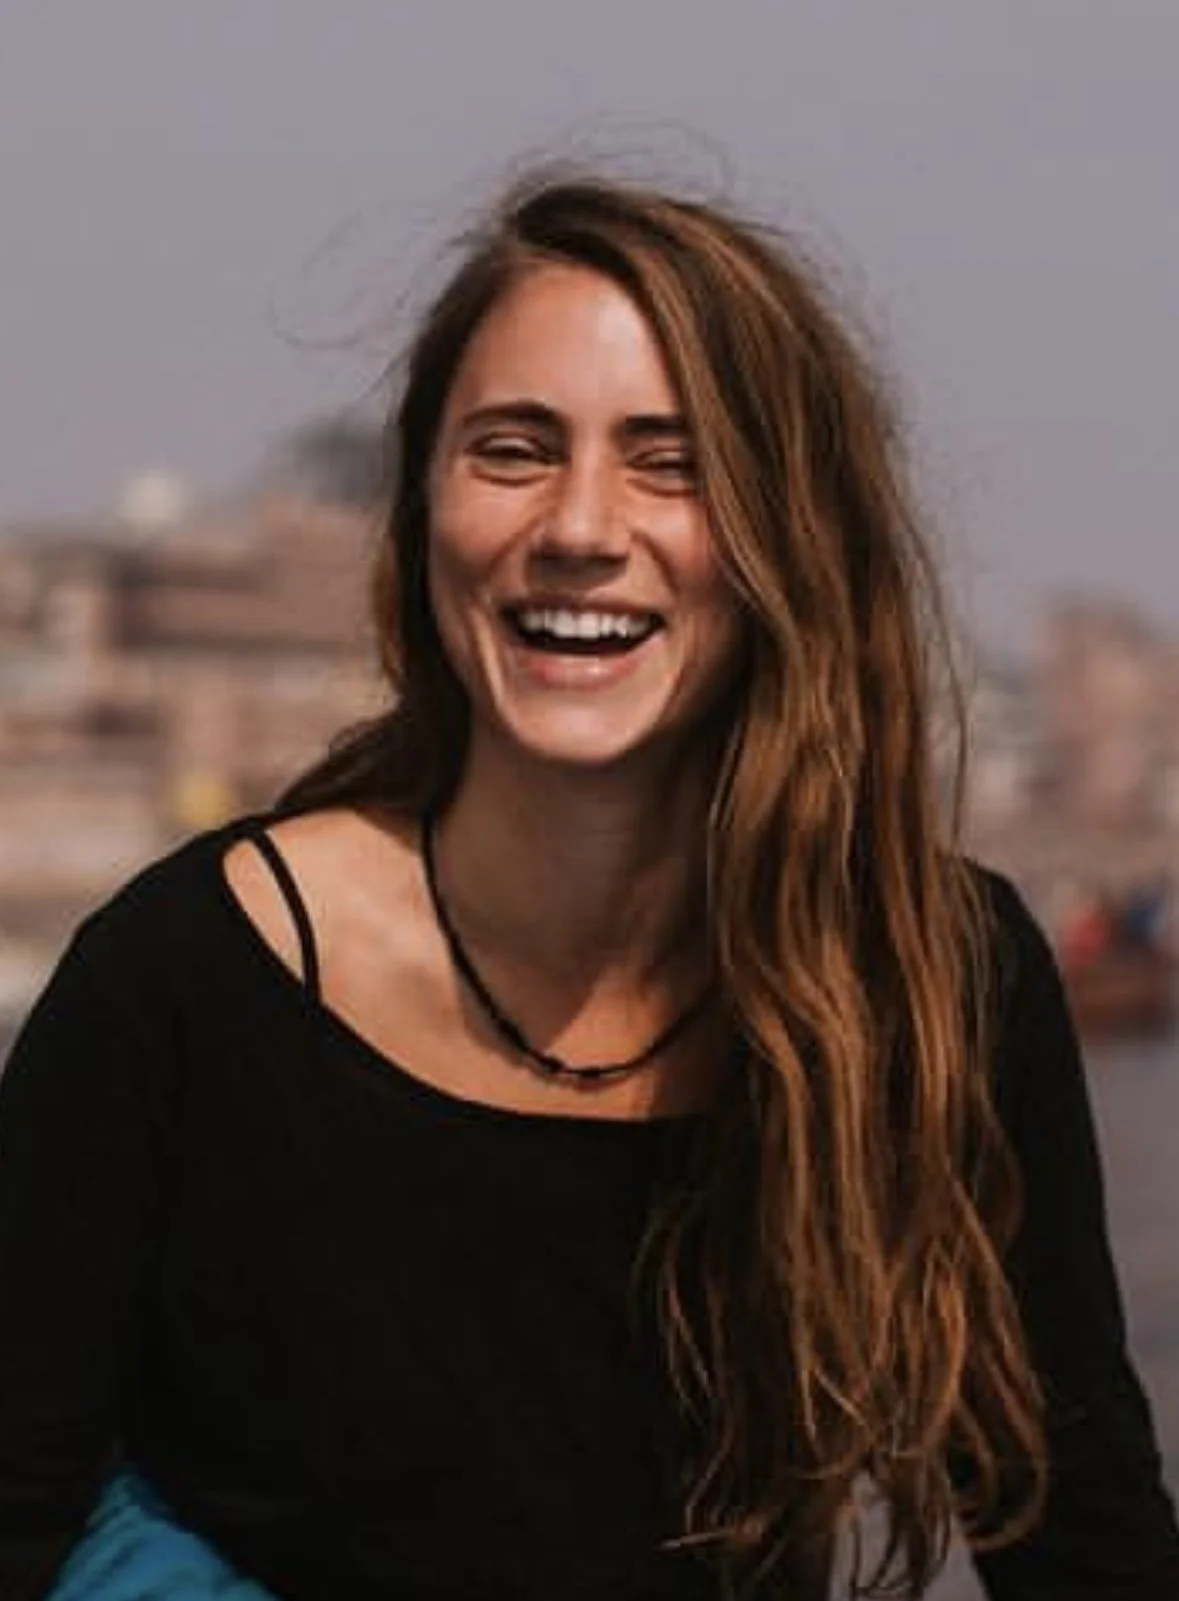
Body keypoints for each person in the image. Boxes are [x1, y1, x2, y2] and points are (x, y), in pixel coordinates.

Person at [1, 173, 1177, 1601]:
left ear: (787, 534)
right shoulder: (187, 982)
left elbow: (1079, 1535)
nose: (578, 524)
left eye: (669, 462)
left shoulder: (929, 983)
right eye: (511, 448)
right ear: (422, 506)